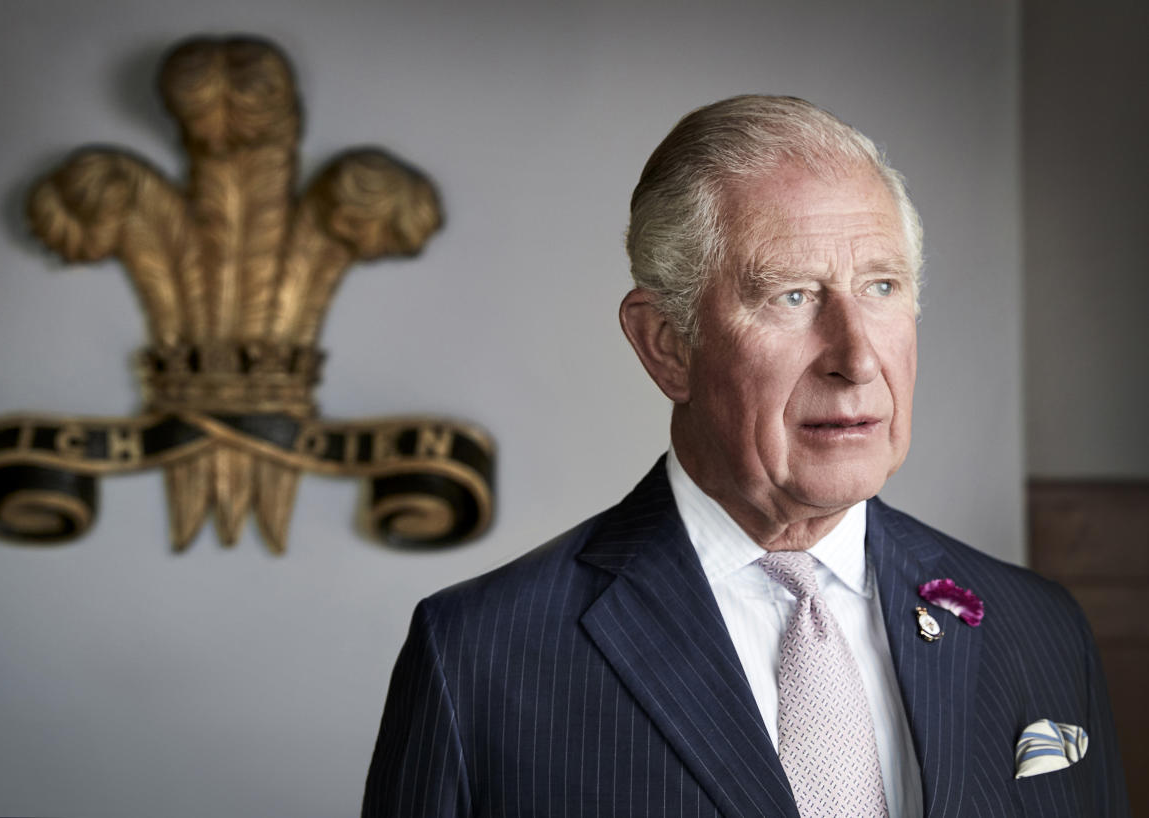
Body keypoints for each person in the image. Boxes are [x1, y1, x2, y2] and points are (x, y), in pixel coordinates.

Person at [363, 96, 1128, 817]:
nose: (857, 359)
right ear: (667, 345)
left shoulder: (1039, 628)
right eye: (792, 296)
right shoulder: (480, 657)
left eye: (882, 286)